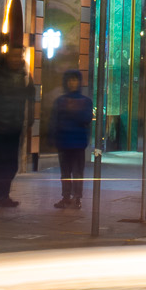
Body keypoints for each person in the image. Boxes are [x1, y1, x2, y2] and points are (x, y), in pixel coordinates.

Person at [0, 51, 31, 209]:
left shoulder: (22, 75)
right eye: (14, 56)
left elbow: (29, 97)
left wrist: (27, 121)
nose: (17, 59)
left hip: (15, 126)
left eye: (19, 56)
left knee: (12, 164)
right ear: (6, 58)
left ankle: (4, 194)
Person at [51, 70, 92, 209]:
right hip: (64, 142)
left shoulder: (85, 102)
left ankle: (77, 197)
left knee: (78, 171)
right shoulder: (60, 101)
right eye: (70, 80)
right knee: (65, 172)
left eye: (75, 80)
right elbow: (54, 121)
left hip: (78, 142)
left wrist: (73, 110)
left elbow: (86, 119)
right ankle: (66, 196)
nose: (72, 83)